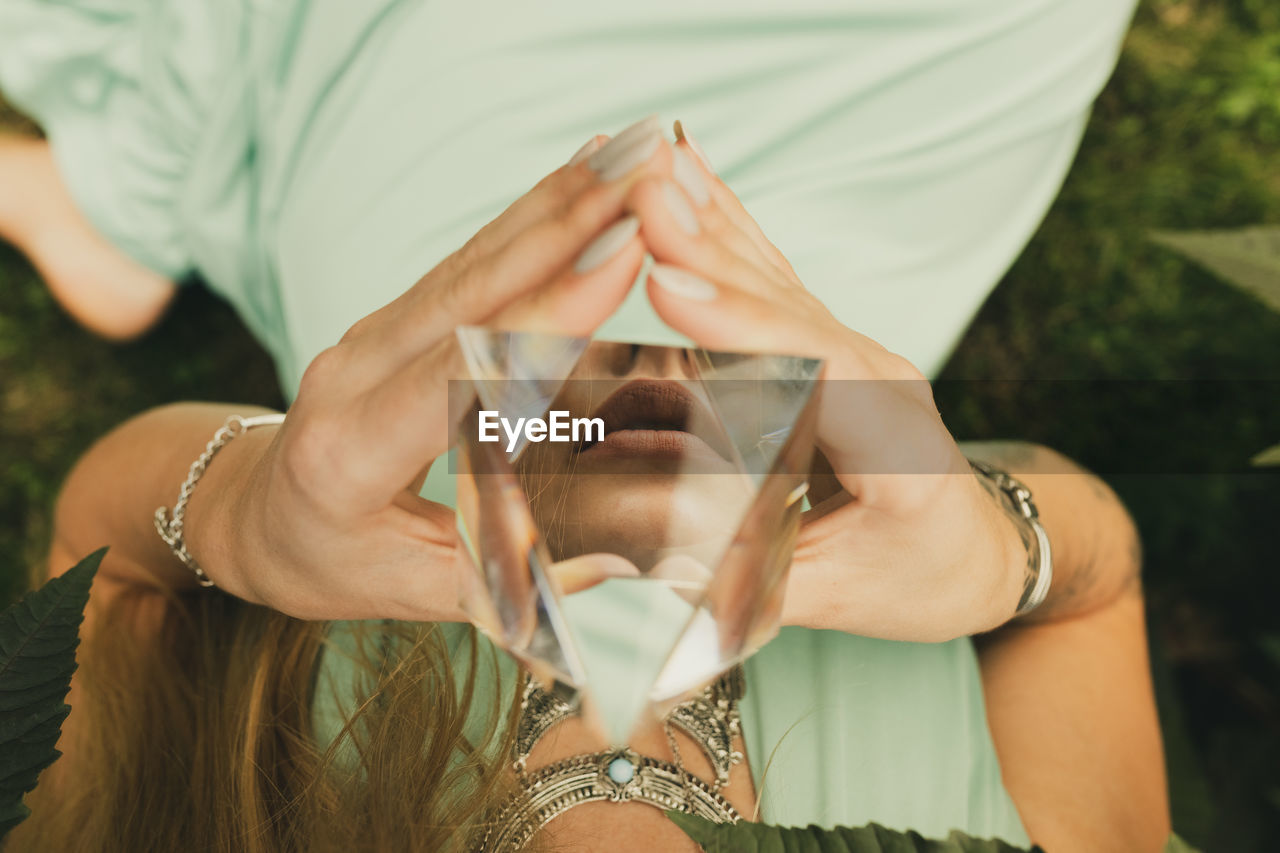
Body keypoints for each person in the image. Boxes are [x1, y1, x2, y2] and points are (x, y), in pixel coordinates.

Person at [0, 1, 1167, 850]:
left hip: (437, 217)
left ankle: (143, 188)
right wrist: (995, 548)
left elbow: (105, 576)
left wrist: (246, 509)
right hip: (838, 238)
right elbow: (1095, 589)